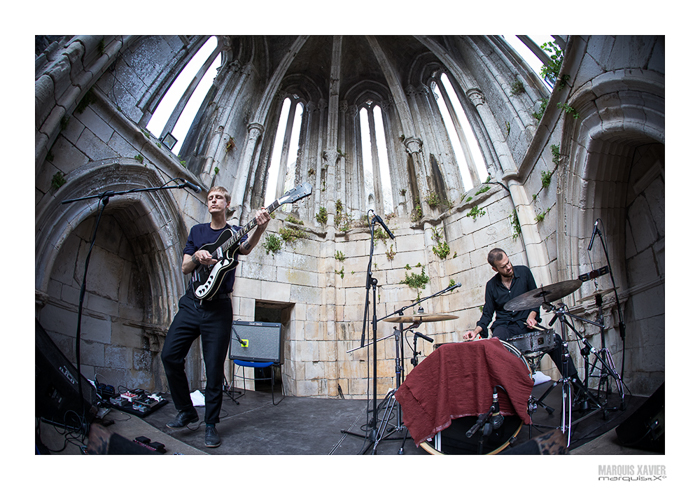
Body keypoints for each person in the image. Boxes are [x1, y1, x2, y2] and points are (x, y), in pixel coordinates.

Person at [161, 186, 270, 448]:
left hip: (219, 309)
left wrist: (261, 227)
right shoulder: (197, 231)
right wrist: (197, 256)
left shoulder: (233, 232)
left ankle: (210, 424)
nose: (213, 201)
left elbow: (245, 249)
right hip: (192, 304)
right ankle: (186, 410)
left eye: (218, 197)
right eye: (210, 198)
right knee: (169, 355)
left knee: (213, 370)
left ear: (227, 203)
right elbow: (185, 266)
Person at [463, 248, 581, 389]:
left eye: (508, 262)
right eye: (503, 266)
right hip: (504, 327)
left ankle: (578, 387)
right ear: (495, 269)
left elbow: (537, 300)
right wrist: (475, 332)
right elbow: (487, 314)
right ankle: (511, 392)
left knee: (555, 340)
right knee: (496, 347)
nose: (508, 267)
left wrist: (532, 316)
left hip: (525, 324)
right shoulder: (491, 286)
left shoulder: (524, 272)